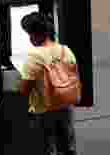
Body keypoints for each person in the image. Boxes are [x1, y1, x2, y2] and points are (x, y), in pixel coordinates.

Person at [19, 12, 79, 155]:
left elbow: (24, 89)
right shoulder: (66, 50)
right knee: (67, 148)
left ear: (37, 35)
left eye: (30, 34)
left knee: (46, 148)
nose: (29, 38)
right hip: (65, 108)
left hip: (44, 112)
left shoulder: (34, 58)